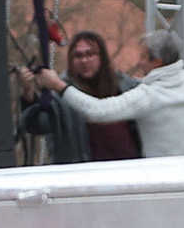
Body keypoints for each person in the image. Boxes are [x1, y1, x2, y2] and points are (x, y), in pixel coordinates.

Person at [35, 27, 184, 161]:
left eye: (144, 58)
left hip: (161, 177)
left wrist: (59, 86)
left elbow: (97, 111)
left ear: (157, 62)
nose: (139, 63)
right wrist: (178, 70)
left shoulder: (146, 97)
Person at [51, 30, 142, 164]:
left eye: (90, 54)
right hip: (84, 173)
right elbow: (40, 123)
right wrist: (29, 96)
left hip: (128, 169)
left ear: (102, 57)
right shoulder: (60, 94)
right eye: (78, 56)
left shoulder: (124, 85)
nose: (84, 60)